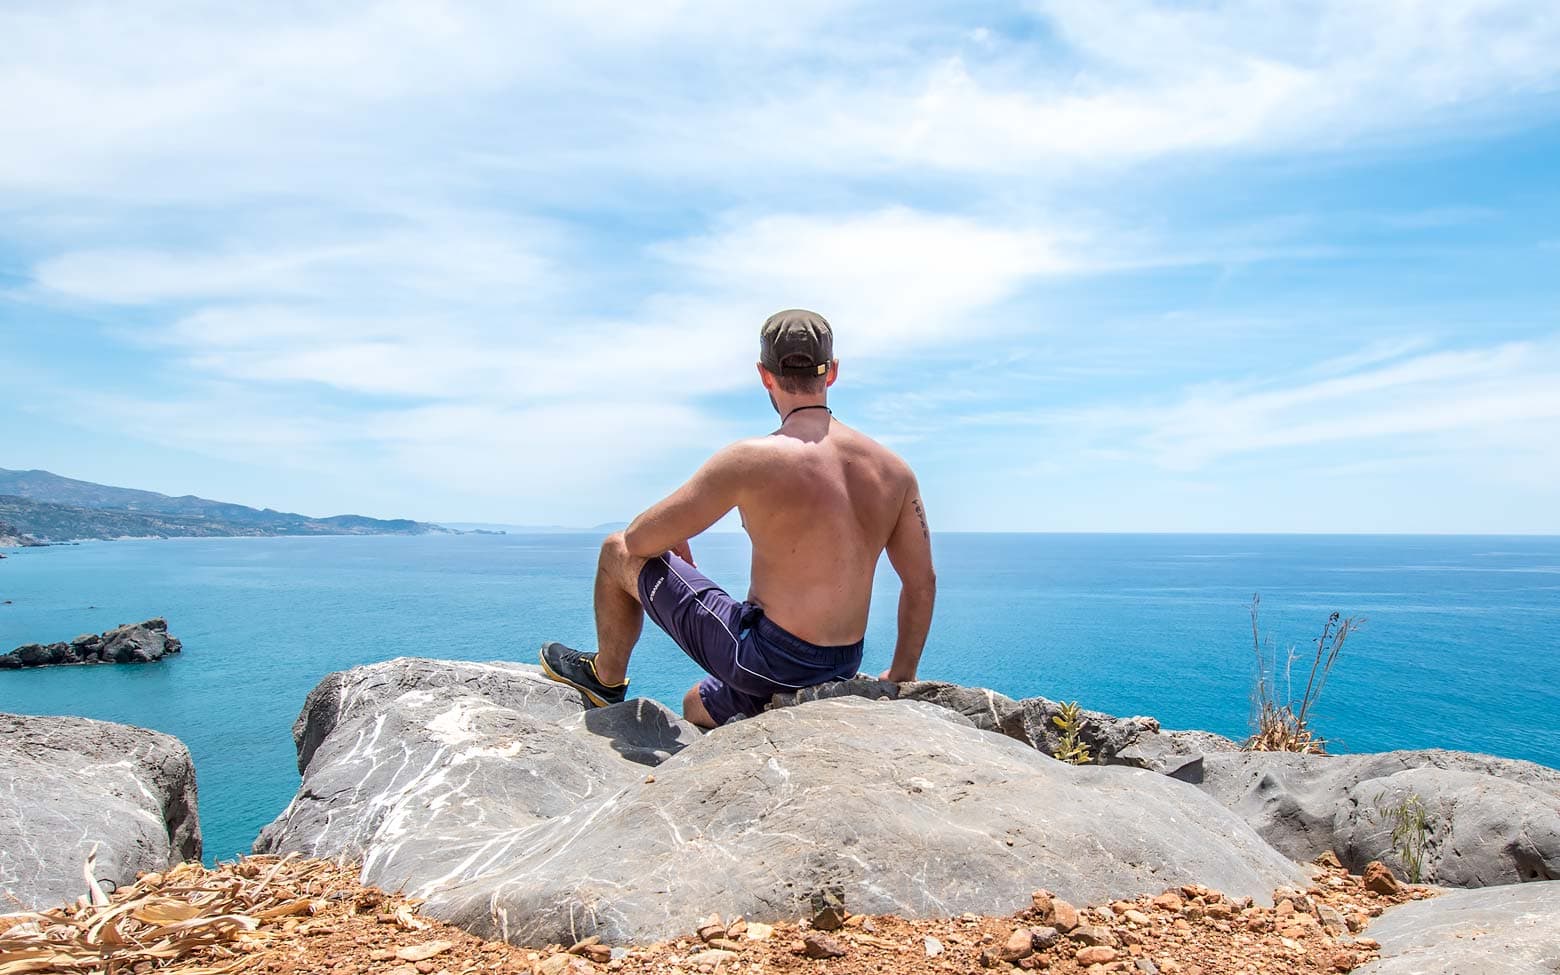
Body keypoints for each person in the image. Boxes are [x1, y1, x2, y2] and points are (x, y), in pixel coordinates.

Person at [539, 309, 937, 728]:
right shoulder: (894, 472)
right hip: (839, 662)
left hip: (767, 659)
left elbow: (637, 542)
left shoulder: (751, 459)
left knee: (615, 548)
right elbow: (921, 582)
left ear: (765, 374)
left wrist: (668, 534)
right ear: (832, 372)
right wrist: (901, 675)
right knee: (695, 704)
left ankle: (604, 679)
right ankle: (768, 705)